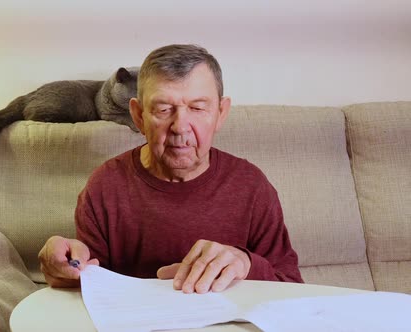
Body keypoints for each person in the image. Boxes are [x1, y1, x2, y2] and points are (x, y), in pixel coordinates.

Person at [38, 44, 303, 294]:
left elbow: (292, 288)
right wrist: (66, 272)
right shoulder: (104, 187)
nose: (180, 126)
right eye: (163, 109)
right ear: (139, 116)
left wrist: (246, 264)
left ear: (221, 113)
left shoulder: (252, 186)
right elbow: (89, 286)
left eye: (198, 108)